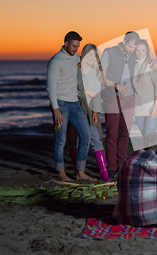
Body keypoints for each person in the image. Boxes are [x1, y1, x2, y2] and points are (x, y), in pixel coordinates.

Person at [46, 31, 93, 181]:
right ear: (65, 44)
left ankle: (80, 172)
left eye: (78, 47)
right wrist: (56, 110)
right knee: (60, 140)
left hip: (75, 104)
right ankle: (61, 173)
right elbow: (51, 87)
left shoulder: (77, 58)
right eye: (73, 46)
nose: (76, 49)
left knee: (86, 136)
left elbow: (90, 68)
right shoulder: (56, 61)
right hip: (61, 105)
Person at [100, 31, 140, 180]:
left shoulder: (133, 56)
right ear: (124, 41)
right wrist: (116, 85)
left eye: (134, 48)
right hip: (112, 96)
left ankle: (121, 166)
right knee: (112, 134)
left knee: (124, 134)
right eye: (130, 46)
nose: (131, 50)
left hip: (129, 98)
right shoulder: (109, 52)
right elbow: (101, 77)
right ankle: (111, 168)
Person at [76, 44, 110, 181]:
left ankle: (104, 173)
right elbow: (70, 88)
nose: (92, 58)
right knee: (81, 139)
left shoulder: (96, 71)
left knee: (96, 139)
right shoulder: (75, 69)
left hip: (90, 110)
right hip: (76, 107)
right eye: (90, 54)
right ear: (84, 54)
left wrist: (95, 112)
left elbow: (97, 92)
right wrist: (84, 92)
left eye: (95, 55)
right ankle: (80, 172)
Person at [132, 40, 157, 147]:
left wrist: (155, 106)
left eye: (143, 50)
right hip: (138, 109)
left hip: (152, 108)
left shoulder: (151, 66)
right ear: (134, 51)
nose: (140, 53)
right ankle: (150, 161)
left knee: (149, 139)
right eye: (137, 50)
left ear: (147, 52)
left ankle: (152, 162)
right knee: (145, 140)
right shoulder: (132, 67)